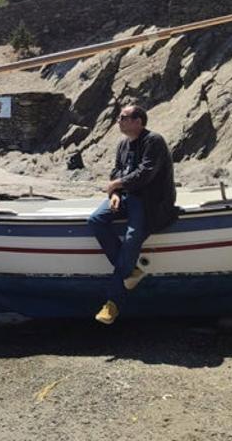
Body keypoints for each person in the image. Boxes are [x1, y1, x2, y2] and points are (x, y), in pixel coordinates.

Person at [87, 103, 177, 325]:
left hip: (150, 202)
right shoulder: (123, 144)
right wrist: (115, 192)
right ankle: (130, 269)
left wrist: (115, 184)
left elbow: (145, 173)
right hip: (127, 197)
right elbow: (117, 170)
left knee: (132, 238)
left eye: (124, 117)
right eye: (119, 117)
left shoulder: (153, 141)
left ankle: (113, 302)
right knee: (96, 219)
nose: (119, 120)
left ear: (138, 121)